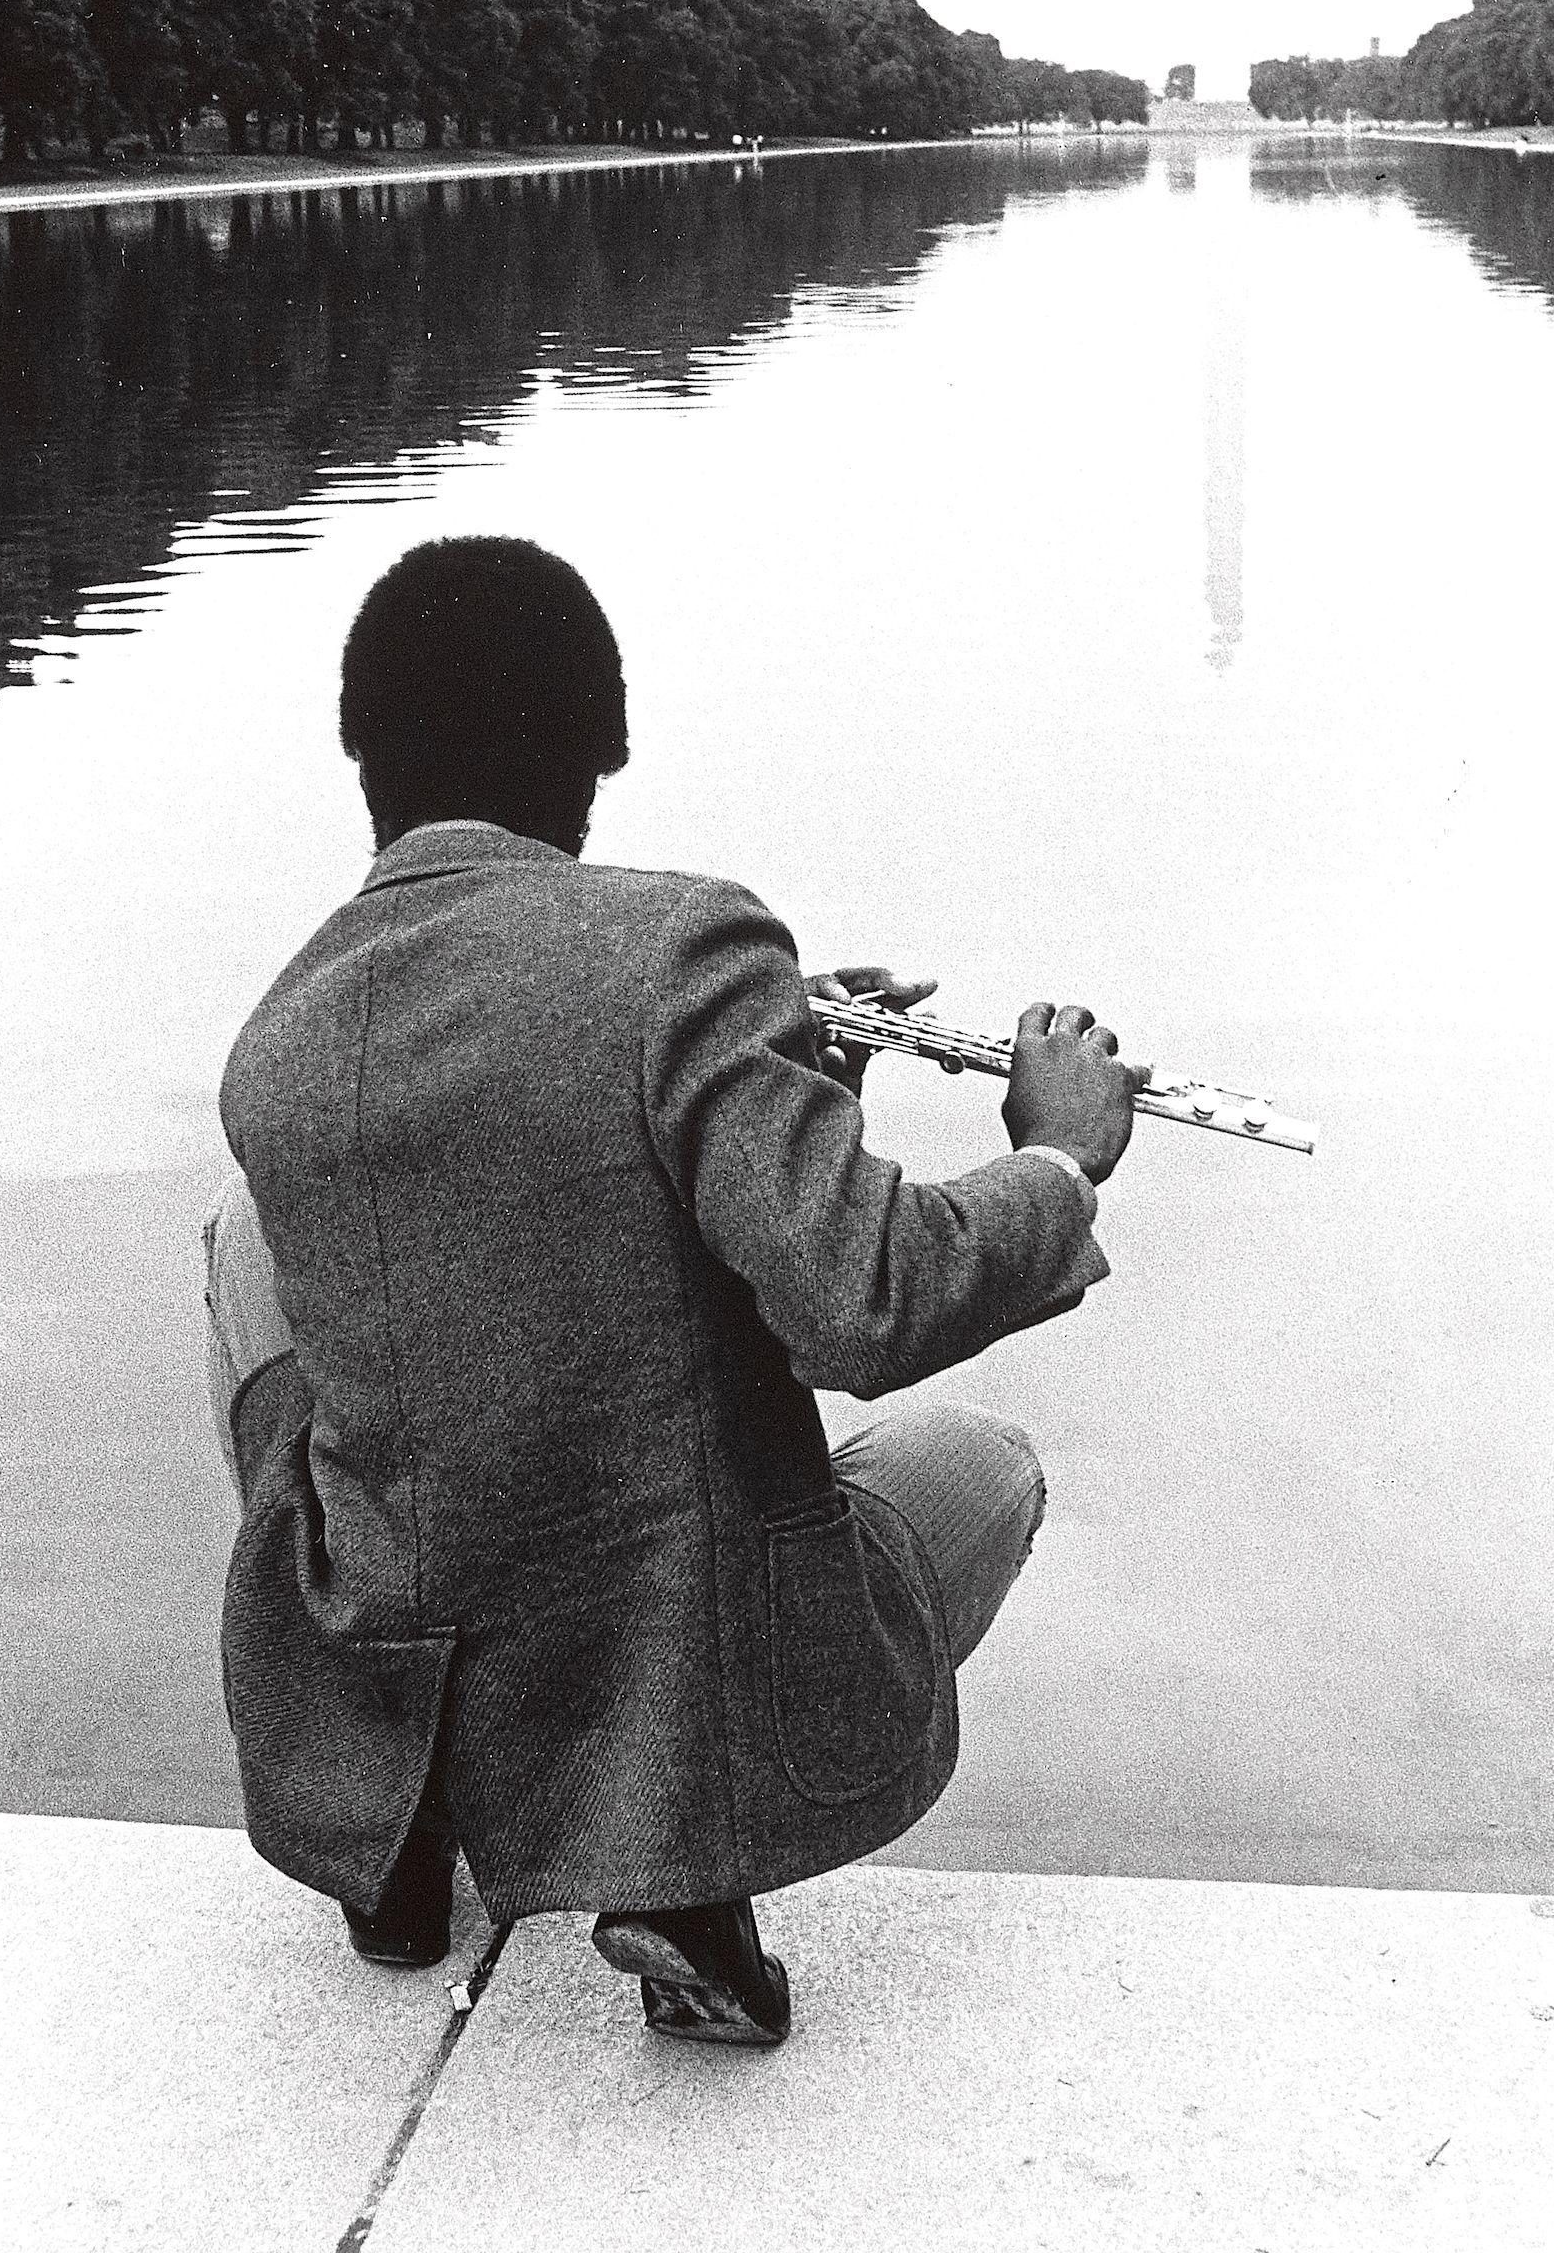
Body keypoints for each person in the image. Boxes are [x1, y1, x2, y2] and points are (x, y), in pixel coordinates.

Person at [204, 535, 1145, 2048]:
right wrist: (1056, 1159)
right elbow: (868, 1304)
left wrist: (782, 1087)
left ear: (358, 749)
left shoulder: (280, 1031)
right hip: (659, 1668)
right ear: (608, 742)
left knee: (246, 1243)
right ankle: (685, 1871)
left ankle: (398, 1845)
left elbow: (528, 1214)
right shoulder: (684, 942)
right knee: (986, 1467)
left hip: (402, 1654)